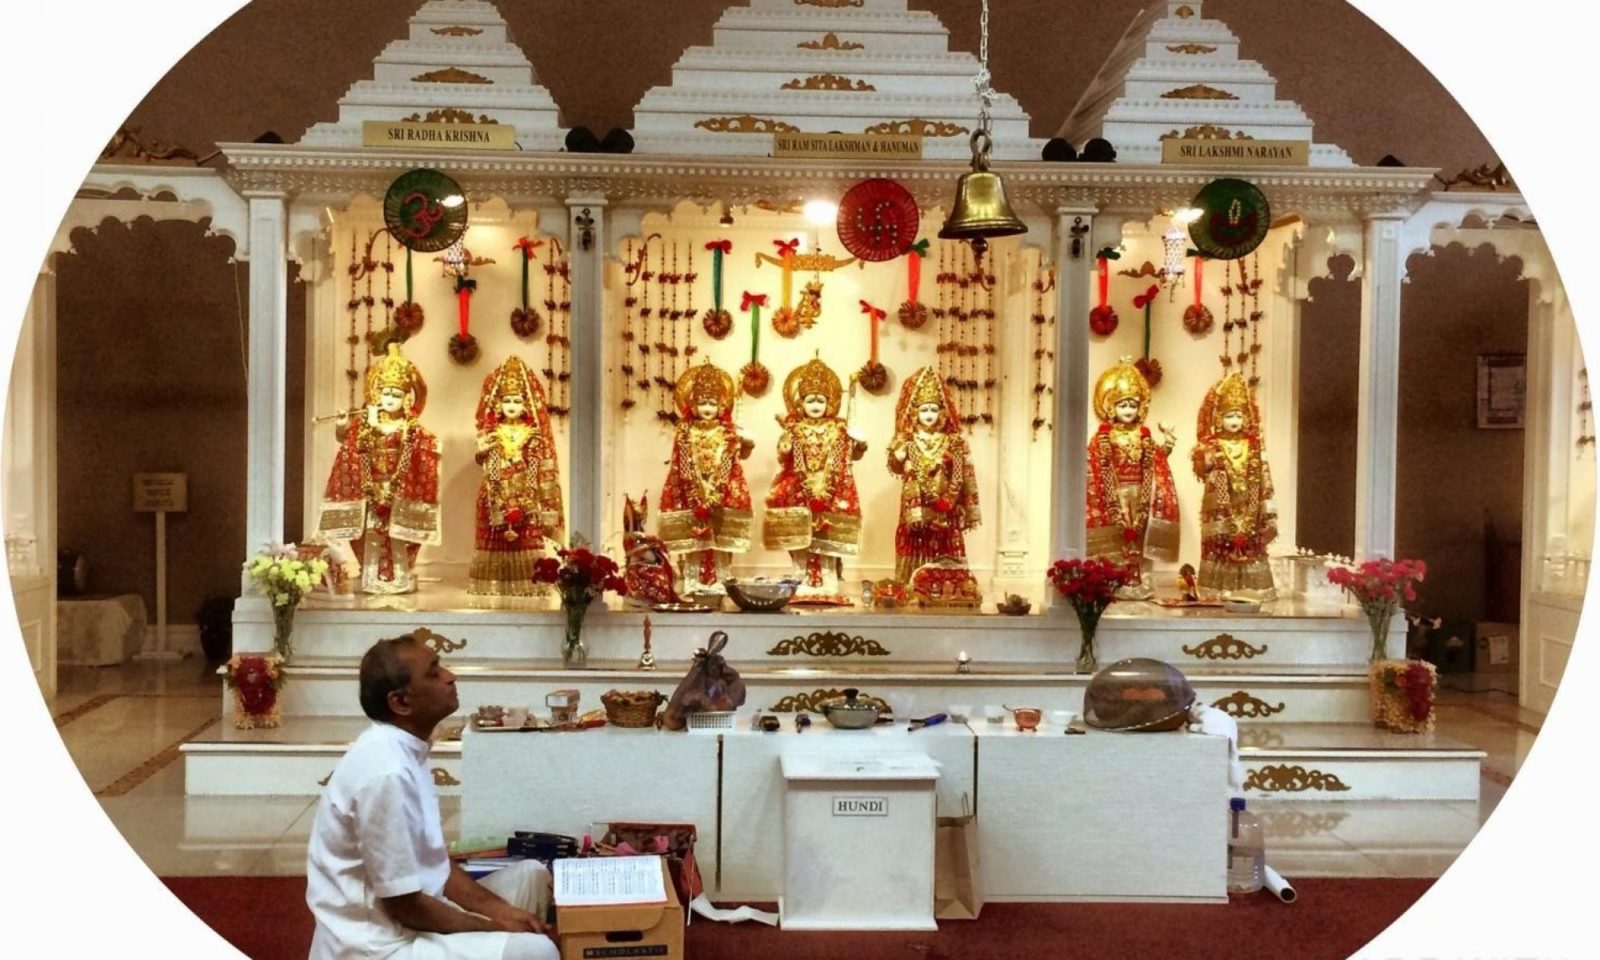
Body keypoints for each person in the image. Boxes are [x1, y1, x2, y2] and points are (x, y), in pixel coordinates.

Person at [307, 635, 558, 960]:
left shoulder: (405, 749)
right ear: (401, 702)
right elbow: (404, 905)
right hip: (380, 945)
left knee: (532, 876)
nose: (450, 676)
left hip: (417, 917)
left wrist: (501, 912)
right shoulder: (386, 772)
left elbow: (436, 864)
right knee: (537, 952)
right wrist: (491, 927)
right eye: (434, 672)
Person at [318, 344, 442, 594]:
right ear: (377, 395)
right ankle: (370, 574)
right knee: (370, 531)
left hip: (400, 489)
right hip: (370, 488)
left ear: (407, 398)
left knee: (399, 534)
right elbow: (348, 441)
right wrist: (342, 425)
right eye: (386, 394)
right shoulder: (366, 425)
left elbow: (428, 445)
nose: (390, 399)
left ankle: (402, 575)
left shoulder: (410, 428)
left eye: (396, 395)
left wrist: (431, 447)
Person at [763, 358, 866, 599]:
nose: (816, 405)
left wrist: (860, 444)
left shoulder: (838, 428)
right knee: (801, 539)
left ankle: (828, 580)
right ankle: (800, 579)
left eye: (821, 400)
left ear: (830, 402)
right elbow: (784, 455)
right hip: (800, 487)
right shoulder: (795, 427)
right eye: (810, 400)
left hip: (831, 486)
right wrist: (787, 440)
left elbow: (851, 456)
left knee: (827, 539)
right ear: (801, 403)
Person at [1085, 357, 1179, 600]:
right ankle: (1114, 582)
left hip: (1140, 494)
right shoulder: (1103, 437)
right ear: (1110, 408)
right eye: (1122, 405)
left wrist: (1168, 443)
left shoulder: (1144, 436)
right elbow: (1092, 463)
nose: (1128, 410)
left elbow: (1157, 459)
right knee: (1116, 539)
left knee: (1139, 537)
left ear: (1141, 408)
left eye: (1133, 405)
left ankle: (1142, 582)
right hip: (1113, 494)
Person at [469, 356, 564, 596]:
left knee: (525, 534)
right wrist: (497, 493)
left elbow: (534, 464)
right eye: (507, 400)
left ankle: (527, 584)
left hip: (524, 492)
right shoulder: (490, 434)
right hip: (495, 491)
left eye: (517, 400)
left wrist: (528, 495)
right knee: (495, 533)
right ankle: (495, 585)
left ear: (526, 404)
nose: (511, 405)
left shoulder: (532, 434)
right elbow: (486, 462)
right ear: (498, 403)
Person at [658, 362, 753, 596]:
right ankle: (693, 582)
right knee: (693, 542)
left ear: (721, 405)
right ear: (693, 405)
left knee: (720, 541)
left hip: (722, 490)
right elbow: (681, 461)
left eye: (712, 403)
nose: (707, 408)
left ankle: (721, 580)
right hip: (691, 489)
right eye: (703, 403)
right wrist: (693, 493)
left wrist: (745, 445)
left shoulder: (727, 432)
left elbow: (736, 457)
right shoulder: (685, 431)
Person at [887, 365, 982, 595]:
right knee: (916, 545)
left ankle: (949, 590)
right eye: (923, 410)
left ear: (942, 411)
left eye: (933, 409)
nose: (929, 414)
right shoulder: (906, 440)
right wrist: (897, 455)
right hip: (917, 510)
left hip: (946, 508)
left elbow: (961, 474)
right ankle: (913, 588)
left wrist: (948, 501)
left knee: (945, 546)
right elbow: (894, 466)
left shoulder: (954, 441)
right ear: (914, 413)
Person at [1191, 371, 1278, 600]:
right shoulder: (1212, 445)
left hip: (1249, 504)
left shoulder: (1254, 445)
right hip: (1221, 507)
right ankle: (1219, 589)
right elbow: (1202, 471)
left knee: (1250, 541)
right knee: (1222, 544)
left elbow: (1263, 474)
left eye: (1239, 415)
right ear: (1218, 418)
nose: (1234, 421)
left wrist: (1267, 509)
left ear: (1246, 417)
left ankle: (1251, 589)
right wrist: (1204, 457)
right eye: (1229, 415)